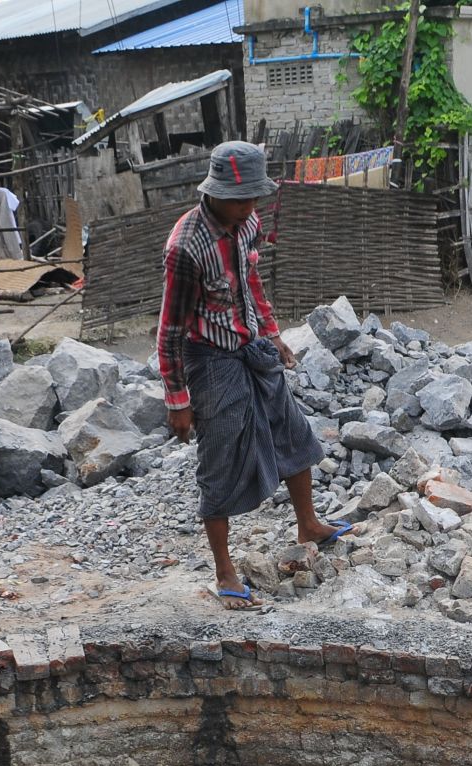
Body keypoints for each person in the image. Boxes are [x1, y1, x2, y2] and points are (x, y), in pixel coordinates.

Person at [156, 140, 349, 611]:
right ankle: (224, 570)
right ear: (214, 191)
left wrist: (273, 333)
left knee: (291, 429)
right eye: (239, 199)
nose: (248, 207)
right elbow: (170, 328)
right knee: (220, 459)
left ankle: (309, 523)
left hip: (251, 345)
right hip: (209, 358)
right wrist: (177, 398)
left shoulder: (248, 225)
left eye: (253, 199)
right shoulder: (185, 247)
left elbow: (253, 283)